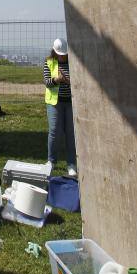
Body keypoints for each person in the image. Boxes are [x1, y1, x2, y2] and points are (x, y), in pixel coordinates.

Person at [43, 37, 77, 176]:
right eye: (60, 55)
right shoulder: (48, 62)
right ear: (55, 52)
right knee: (54, 131)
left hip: (70, 103)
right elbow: (47, 83)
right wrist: (57, 79)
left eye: (65, 55)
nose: (63, 57)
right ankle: (51, 161)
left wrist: (68, 81)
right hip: (54, 103)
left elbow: (79, 82)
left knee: (71, 133)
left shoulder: (74, 63)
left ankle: (71, 164)